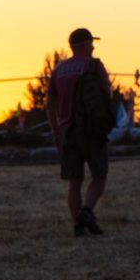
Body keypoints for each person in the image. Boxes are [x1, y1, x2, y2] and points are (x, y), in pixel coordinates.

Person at [46, 27, 111, 236]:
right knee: (99, 176)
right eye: (91, 43)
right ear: (84, 44)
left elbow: (50, 102)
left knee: (75, 181)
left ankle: (78, 224)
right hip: (92, 129)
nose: (92, 46)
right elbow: (107, 95)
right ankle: (87, 211)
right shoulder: (94, 65)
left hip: (67, 131)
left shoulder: (59, 70)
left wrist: (56, 130)